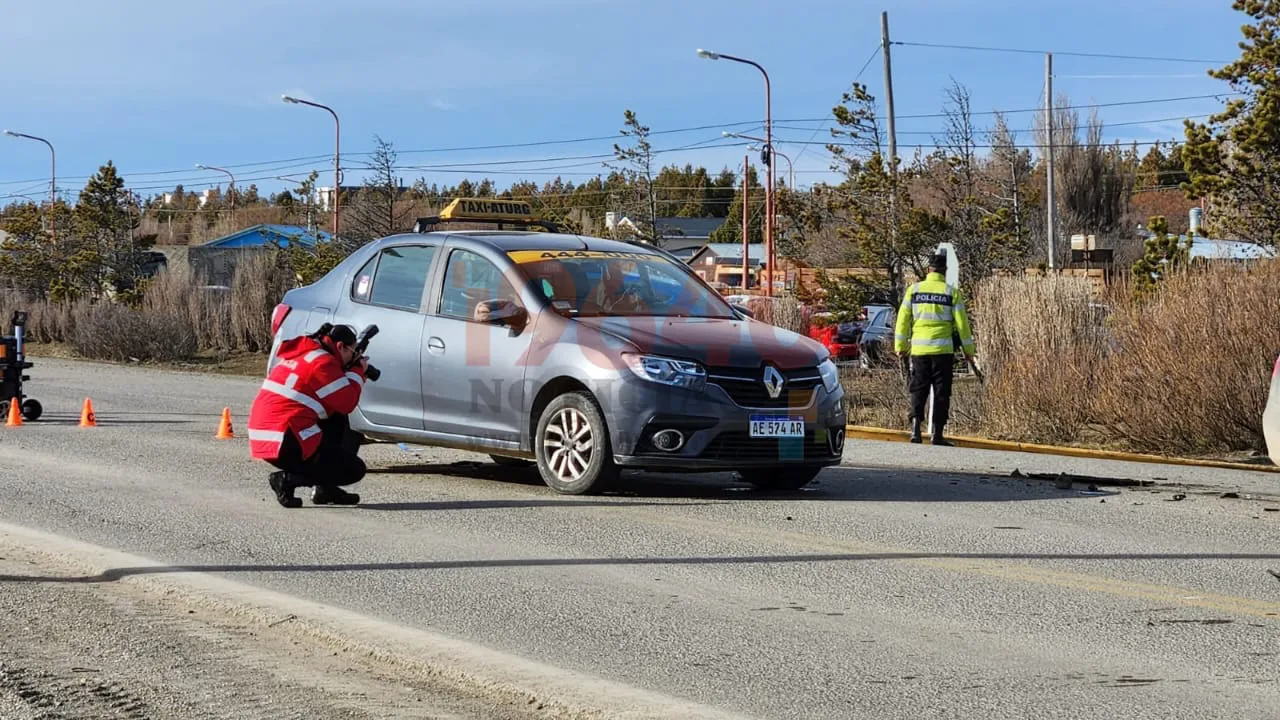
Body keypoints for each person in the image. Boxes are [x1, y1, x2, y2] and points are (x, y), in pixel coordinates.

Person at [247, 323, 369, 508]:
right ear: (340, 347)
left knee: (336, 419)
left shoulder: (305, 353)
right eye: (352, 352)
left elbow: (335, 407)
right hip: (285, 438)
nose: (352, 357)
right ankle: (287, 480)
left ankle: (325, 489)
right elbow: (347, 402)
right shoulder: (323, 362)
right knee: (353, 470)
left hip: (268, 435)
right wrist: (358, 371)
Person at [894, 252, 976, 446]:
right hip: (943, 352)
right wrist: (968, 350)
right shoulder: (951, 292)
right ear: (944, 271)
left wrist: (900, 346)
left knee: (918, 389)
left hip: (919, 351)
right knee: (941, 392)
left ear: (928, 270)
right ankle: (937, 434)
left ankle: (915, 429)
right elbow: (963, 325)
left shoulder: (913, 290)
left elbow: (903, 320)